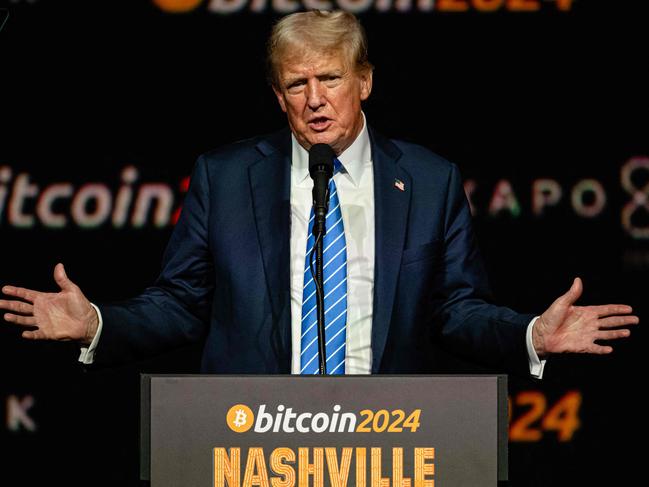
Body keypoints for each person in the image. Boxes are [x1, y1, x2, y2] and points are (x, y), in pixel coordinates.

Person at [0, 10, 638, 377]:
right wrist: (101, 324)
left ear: (364, 81)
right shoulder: (225, 178)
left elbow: (454, 310)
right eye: (296, 83)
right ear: (278, 96)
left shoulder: (428, 178)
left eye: (330, 78)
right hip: (251, 441)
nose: (314, 99)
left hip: (386, 441)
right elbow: (181, 303)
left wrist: (529, 333)